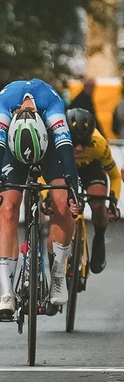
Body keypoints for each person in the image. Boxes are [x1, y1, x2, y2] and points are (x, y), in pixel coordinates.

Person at [0, 78, 80, 319]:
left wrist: (73, 191)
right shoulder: (4, 104)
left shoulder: (52, 104)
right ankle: (7, 293)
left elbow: (66, 151)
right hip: (13, 150)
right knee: (7, 208)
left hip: (49, 150)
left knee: (63, 203)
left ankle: (58, 275)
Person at [67, 108, 121, 274]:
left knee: (98, 203)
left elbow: (115, 177)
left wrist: (113, 202)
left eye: (85, 142)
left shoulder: (99, 143)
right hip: (66, 167)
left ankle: (99, 238)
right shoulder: (57, 140)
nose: (80, 148)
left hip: (91, 168)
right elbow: (43, 171)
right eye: (75, 142)